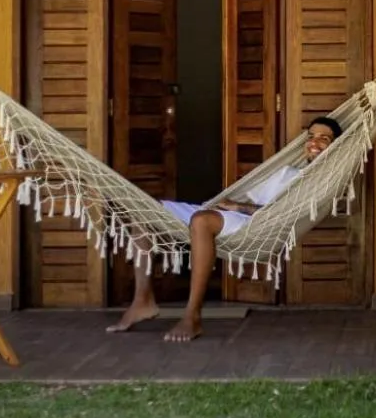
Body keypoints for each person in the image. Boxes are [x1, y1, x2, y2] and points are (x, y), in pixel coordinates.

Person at [107, 115, 344, 341]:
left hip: (255, 226)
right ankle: (142, 300)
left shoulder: (320, 183)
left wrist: (237, 206)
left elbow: (280, 214)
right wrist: (234, 205)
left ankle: (192, 316)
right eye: (311, 136)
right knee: (146, 210)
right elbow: (257, 200)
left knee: (201, 221)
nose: (314, 142)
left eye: (324, 138)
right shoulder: (289, 172)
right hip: (235, 214)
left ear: (336, 147)